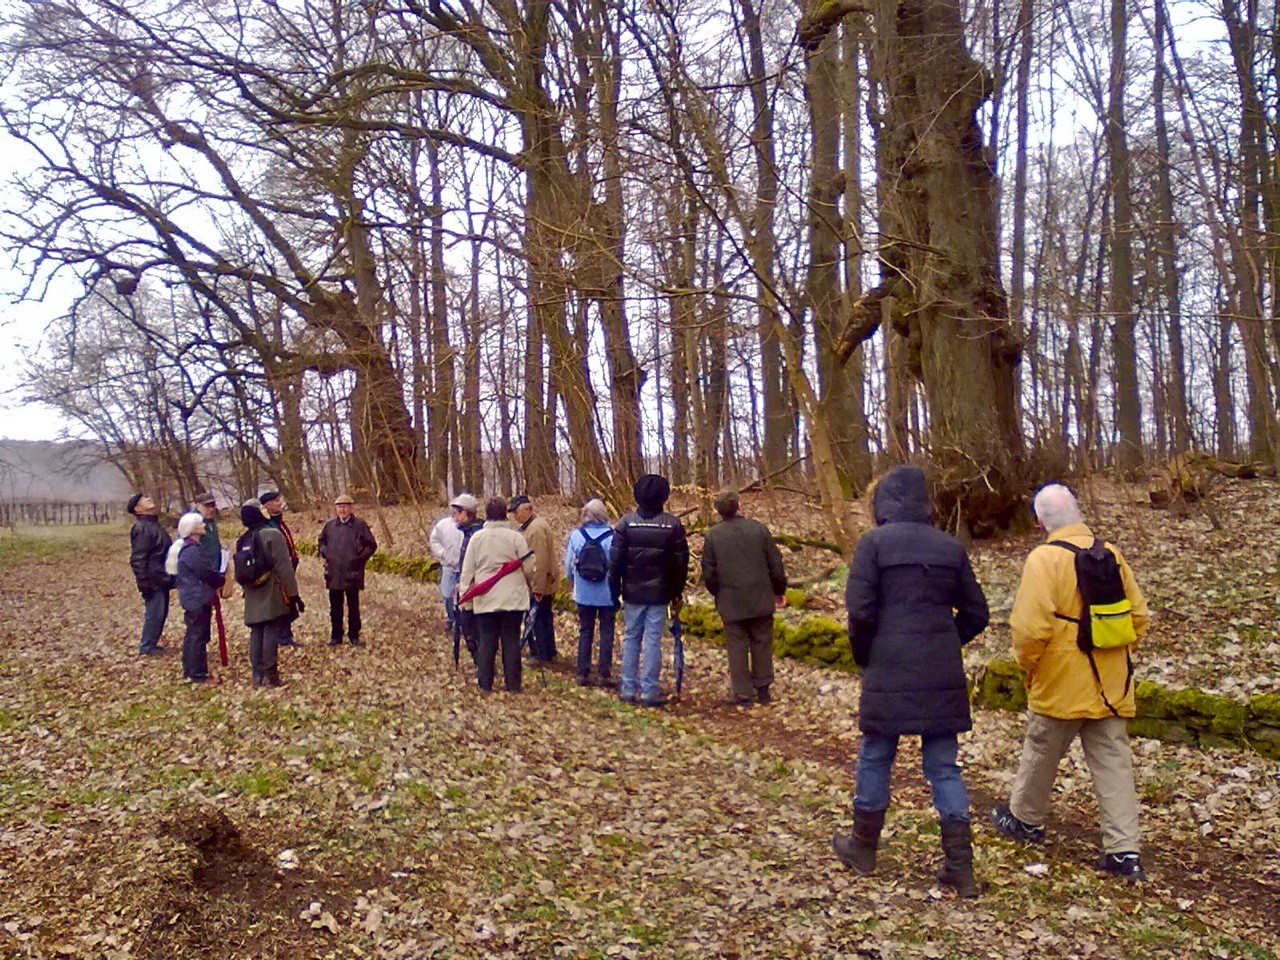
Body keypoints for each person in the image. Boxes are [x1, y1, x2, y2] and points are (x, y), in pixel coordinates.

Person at [832, 466, 989, 898]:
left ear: (882, 502)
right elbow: (978, 613)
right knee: (943, 766)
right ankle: (961, 868)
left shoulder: (873, 545)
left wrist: (867, 655)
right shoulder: (950, 547)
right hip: (940, 671)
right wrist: (945, 643)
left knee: (876, 755)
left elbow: (860, 612)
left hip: (888, 665)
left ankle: (863, 848)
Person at [989, 483, 1151, 883]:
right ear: (1078, 512)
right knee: (1114, 764)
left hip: (1060, 681)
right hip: (1111, 685)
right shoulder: (1111, 554)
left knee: (1041, 752)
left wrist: (1029, 667)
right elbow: (1140, 617)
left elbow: (1029, 629)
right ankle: (1124, 852)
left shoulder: (1043, 559)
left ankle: (1025, 821)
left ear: (1040, 521)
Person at [609, 474, 689, 707]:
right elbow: (680, 564)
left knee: (632, 637)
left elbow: (615, 562)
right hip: (659, 593)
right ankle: (649, 689)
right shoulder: (672, 525)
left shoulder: (626, 524)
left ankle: (628, 686)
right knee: (652, 638)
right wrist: (676, 591)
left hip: (633, 591)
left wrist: (614, 591)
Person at [701, 490, 787, 706]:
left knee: (737, 645)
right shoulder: (759, 529)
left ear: (718, 511)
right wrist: (779, 590)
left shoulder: (712, 536)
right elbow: (775, 564)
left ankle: (743, 693)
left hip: (731, 600)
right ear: (739, 505)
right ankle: (763, 688)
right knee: (762, 641)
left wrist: (718, 593)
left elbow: (708, 573)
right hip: (760, 596)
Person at [458, 497, 535, 693]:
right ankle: (513, 684)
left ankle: (485, 683)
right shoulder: (516, 537)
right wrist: (529, 583)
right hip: (513, 596)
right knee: (511, 639)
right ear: (504, 514)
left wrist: (465, 596)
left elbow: (468, 569)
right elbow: (529, 565)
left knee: (487, 639)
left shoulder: (477, 538)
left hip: (486, 595)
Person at [239, 498, 302, 687]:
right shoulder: (273, 535)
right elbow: (285, 568)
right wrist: (293, 595)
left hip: (252, 592)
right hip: (272, 589)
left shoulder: (243, 539)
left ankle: (256, 675)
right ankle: (271, 675)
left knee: (256, 631)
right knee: (271, 630)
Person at [563, 498, 617, 687]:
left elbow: (568, 567)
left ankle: (582, 672)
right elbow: (615, 564)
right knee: (607, 631)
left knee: (585, 631)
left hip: (584, 593)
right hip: (607, 594)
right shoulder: (612, 536)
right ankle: (604, 673)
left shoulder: (577, 535)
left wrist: (574, 583)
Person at [318, 494, 378, 646]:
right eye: (339, 507)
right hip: (334, 572)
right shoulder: (330, 525)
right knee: (335, 607)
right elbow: (321, 542)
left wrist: (360, 559)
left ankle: (354, 635)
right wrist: (326, 553)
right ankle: (336, 635)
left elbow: (371, 545)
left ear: (351, 508)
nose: (342, 510)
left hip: (353, 572)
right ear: (336, 509)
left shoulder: (360, 525)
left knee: (353, 606)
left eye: (345, 507)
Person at [173, 511, 225, 683]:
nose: (204, 526)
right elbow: (205, 572)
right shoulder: (193, 551)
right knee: (197, 635)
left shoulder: (186, 548)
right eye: (200, 524)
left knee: (193, 634)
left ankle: (190, 670)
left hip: (192, 597)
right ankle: (197, 673)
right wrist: (220, 578)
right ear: (193, 529)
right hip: (197, 598)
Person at [510, 494, 560, 664]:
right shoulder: (532, 526)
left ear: (527, 509)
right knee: (544, 618)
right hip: (544, 581)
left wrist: (537, 588)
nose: (515, 516)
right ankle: (549, 651)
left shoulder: (535, 530)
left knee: (536, 620)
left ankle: (539, 653)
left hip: (540, 583)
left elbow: (539, 561)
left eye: (517, 512)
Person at [127, 493, 172, 656]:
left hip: (161, 576)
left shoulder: (154, 525)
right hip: (153, 579)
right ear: (138, 509)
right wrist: (143, 581)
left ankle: (151, 643)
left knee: (160, 612)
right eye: (144, 499)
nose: (149, 499)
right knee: (155, 612)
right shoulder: (142, 528)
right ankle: (147, 646)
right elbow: (138, 557)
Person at [259, 488, 301, 646]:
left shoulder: (279, 521)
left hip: (288, 567)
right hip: (277, 571)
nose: (280, 504)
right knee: (282, 602)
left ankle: (286, 634)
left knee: (289, 600)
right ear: (267, 505)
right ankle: (281, 636)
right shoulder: (267, 525)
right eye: (276, 501)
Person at [429, 494, 475, 629]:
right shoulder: (443, 525)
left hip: (465, 567)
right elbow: (434, 541)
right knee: (447, 594)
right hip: (448, 565)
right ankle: (450, 617)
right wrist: (443, 554)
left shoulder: (471, 527)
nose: (455, 514)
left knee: (465, 595)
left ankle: (463, 620)